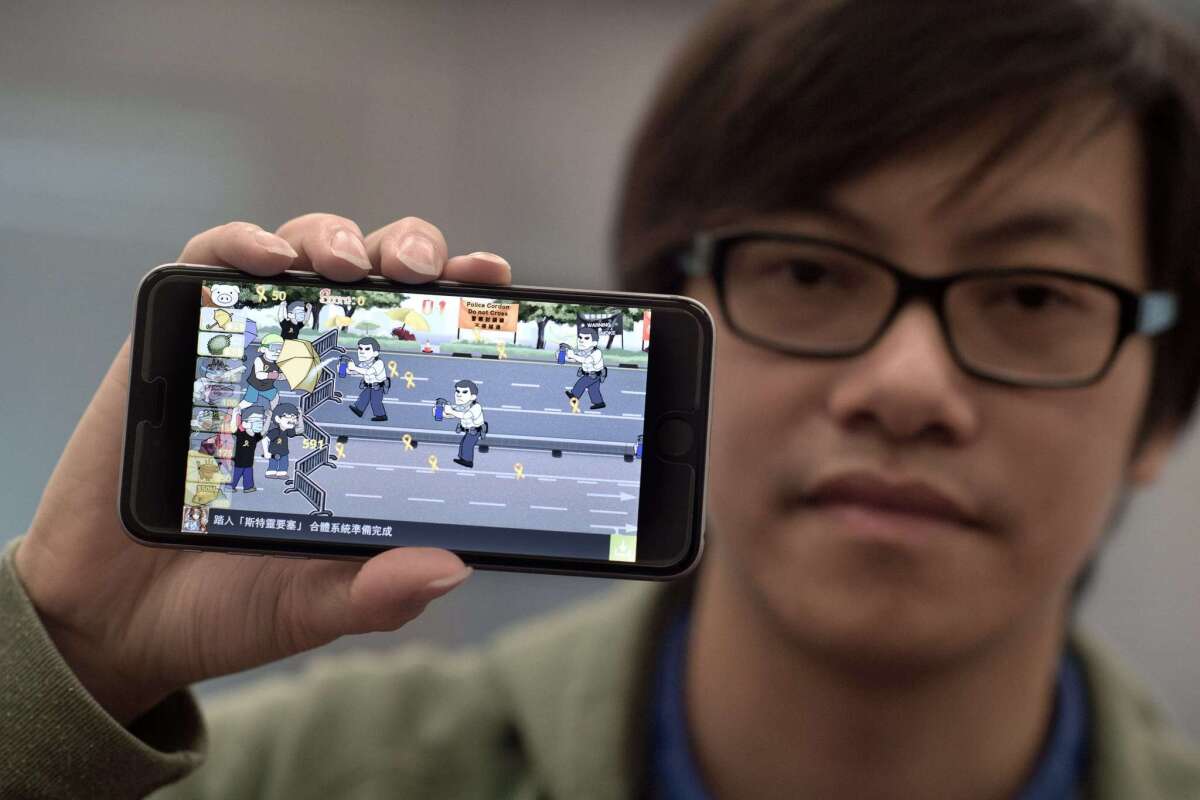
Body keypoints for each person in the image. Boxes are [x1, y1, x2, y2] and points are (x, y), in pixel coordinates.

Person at [4, 2, 1200, 798]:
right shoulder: (302, 777)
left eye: (1034, 296)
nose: (906, 385)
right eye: (809, 271)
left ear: (1163, 404)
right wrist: (65, 655)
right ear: (667, 311)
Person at [438, 379, 486, 468]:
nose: (459, 395)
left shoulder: (476, 407)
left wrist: (451, 411)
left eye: (464, 392)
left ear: (473, 396)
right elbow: (455, 411)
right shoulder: (463, 406)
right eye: (457, 392)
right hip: (468, 430)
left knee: (467, 445)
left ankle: (468, 461)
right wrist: (443, 410)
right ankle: (462, 458)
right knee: (464, 443)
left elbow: (465, 415)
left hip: (475, 430)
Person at [562, 326, 607, 410]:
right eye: (580, 338)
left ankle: (574, 395)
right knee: (593, 389)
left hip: (594, 374)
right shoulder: (584, 351)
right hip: (590, 374)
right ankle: (599, 403)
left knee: (581, 383)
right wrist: (566, 357)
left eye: (586, 338)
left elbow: (586, 360)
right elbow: (576, 359)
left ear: (594, 343)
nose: (582, 340)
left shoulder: (597, 353)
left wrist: (573, 356)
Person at [345, 336, 389, 421]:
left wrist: (354, 368)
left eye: (367, 349)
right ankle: (359, 410)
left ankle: (381, 415)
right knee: (363, 397)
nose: (362, 352)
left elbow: (368, 372)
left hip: (377, 387)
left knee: (375, 402)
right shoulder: (364, 363)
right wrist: (348, 371)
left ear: (375, 353)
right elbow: (358, 371)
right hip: (368, 385)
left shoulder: (378, 363)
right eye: (360, 348)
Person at [264, 402, 302, 479]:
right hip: (274, 453)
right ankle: (271, 472)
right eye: (289, 417)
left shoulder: (288, 431)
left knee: (284, 464)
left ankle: (282, 473)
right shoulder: (275, 431)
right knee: (273, 465)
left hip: (284, 453)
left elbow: (300, 430)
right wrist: (266, 452)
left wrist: (300, 416)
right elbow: (265, 439)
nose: (293, 420)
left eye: (294, 417)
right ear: (278, 419)